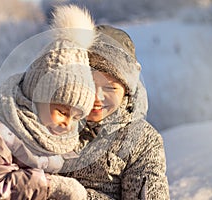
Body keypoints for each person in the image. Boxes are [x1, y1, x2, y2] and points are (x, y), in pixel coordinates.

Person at [0, 5, 97, 200]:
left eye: (76, 117)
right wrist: (50, 187)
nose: (68, 123)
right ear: (37, 97)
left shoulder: (65, 146)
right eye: (62, 112)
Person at [60, 24, 170, 199]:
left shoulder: (142, 141)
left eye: (110, 88)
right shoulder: (49, 123)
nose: (97, 97)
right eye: (87, 84)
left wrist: (77, 195)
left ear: (126, 90)